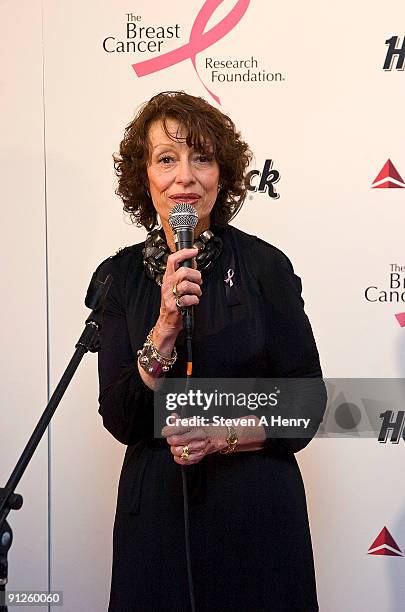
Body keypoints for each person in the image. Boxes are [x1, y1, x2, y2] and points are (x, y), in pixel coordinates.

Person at [89, 91, 326, 611]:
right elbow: (122, 418)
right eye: (167, 159)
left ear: (223, 174)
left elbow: (307, 403)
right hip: (157, 522)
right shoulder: (119, 278)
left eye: (202, 157)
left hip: (257, 518)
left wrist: (223, 434)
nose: (186, 176)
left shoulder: (266, 267)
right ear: (143, 176)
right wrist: (165, 326)